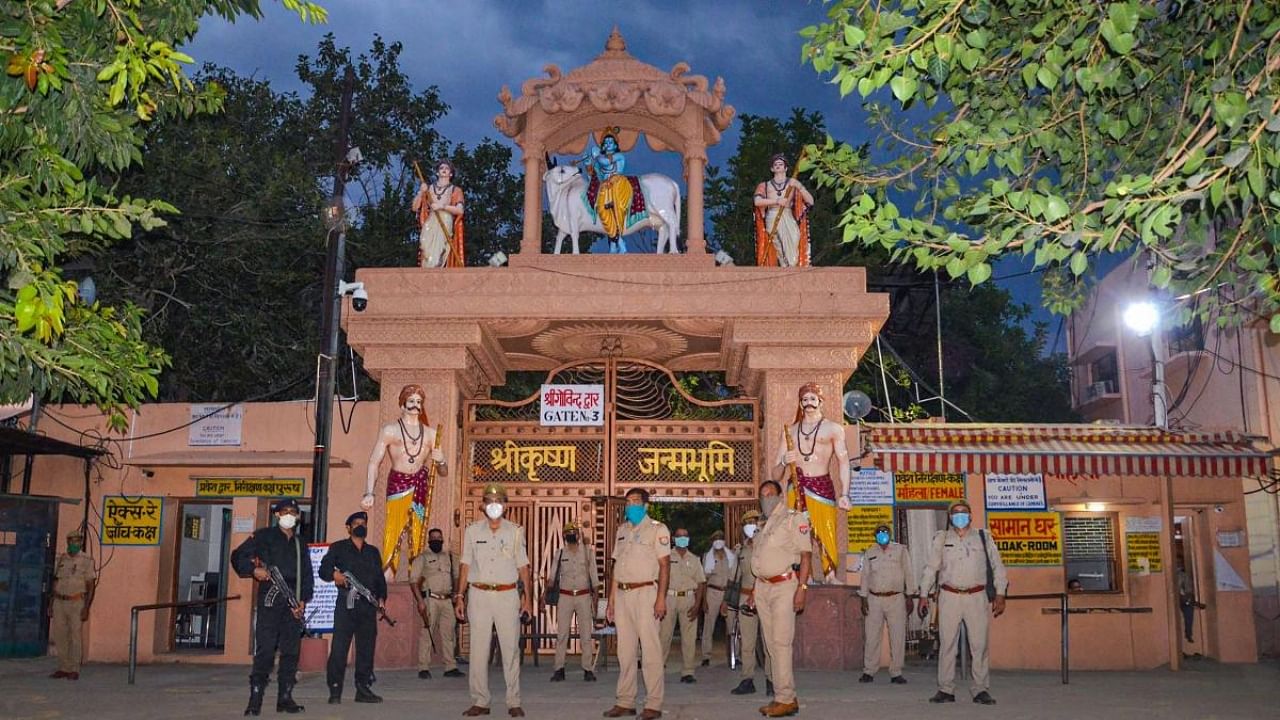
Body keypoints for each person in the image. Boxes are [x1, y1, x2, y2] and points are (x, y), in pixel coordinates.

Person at [918, 501, 1009, 705]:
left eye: (964, 512)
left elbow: (998, 566)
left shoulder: (983, 537)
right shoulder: (941, 539)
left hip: (976, 597)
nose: (960, 516)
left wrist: (1001, 593)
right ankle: (946, 689)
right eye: (956, 513)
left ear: (970, 515)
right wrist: (924, 594)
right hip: (949, 596)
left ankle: (980, 689)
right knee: (947, 644)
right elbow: (931, 568)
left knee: (979, 645)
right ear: (950, 517)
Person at [230, 498, 314, 716]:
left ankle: (285, 697)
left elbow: (307, 575)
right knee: (265, 651)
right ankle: (255, 699)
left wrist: (302, 601)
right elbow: (238, 556)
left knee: (291, 653)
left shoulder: (300, 543)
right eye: (285, 511)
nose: (289, 515)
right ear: (277, 515)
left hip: (291, 604)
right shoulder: (263, 536)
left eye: (293, 512)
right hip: (270, 601)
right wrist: (253, 570)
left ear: (297, 516)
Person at [455, 483, 533, 718]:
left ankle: (513, 701)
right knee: (478, 650)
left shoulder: (516, 531)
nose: (494, 505)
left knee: (510, 649)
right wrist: (460, 596)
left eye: (498, 501)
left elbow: (523, 567)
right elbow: (465, 565)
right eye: (489, 501)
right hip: (478, 595)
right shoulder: (472, 531)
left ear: (506, 506)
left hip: (507, 595)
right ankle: (480, 700)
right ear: (482, 505)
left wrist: (527, 599)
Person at [363, 384, 447, 578]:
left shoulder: (432, 434)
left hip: (420, 487)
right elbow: (374, 462)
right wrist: (369, 492)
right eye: (411, 401)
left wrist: (441, 459)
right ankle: (387, 580)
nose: (415, 405)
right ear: (402, 404)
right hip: (398, 487)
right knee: (393, 532)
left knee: (418, 533)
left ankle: (416, 578)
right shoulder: (390, 430)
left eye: (419, 402)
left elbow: (443, 471)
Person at [603, 487, 671, 720]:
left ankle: (653, 703)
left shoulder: (657, 529)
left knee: (650, 651)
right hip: (622, 596)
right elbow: (616, 567)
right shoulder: (622, 530)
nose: (631, 505)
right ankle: (625, 701)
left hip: (646, 594)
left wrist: (661, 598)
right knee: (625, 651)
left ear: (645, 505)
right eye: (628, 502)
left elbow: (664, 565)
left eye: (635, 501)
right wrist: (611, 601)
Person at [749, 480, 812, 717]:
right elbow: (759, 561)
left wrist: (802, 589)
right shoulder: (764, 525)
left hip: (785, 586)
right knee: (771, 645)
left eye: (770, 494)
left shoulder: (793, 519)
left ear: (779, 496)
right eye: (762, 495)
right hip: (763, 588)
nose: (766, 498)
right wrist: (755, 592)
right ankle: (784, 695)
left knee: (781, 642)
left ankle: (784, 698)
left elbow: (806, 556)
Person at [776, 382, 851, 582]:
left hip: (822, 485)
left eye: (813, 398)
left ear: (821, 401)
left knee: (826, 530)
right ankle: (804, 575)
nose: (809, 402)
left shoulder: (833, 429)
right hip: (797, 486)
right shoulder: (790, 432)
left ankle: (830, 574)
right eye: (805, 399)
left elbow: (843, 460)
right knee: (799, 533)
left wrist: (845, 493)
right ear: (800, 404)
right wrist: (784, 461)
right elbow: (776, 473)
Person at [320, 511, 388, 704]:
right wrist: (336, 575)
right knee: (339, 650)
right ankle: (335, 690)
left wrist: (382, 599)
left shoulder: (373, 552)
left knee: (366, 650)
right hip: (346, 607)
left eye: (363, 523)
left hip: (367, 607)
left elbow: (379, 580)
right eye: (356, 523)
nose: (361, 526)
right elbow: (323, 570)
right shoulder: (338, 548)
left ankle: (363, 689)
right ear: (348, 528)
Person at [857, 523, 918, 684]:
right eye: (879, 532)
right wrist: (863, 598)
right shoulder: (870, 552)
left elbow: (908, 573)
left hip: (896, 598)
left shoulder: (901, 550)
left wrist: (910, 596)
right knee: (871, 636)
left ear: (890, 533)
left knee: (897, 636)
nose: (882, 534)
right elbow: (865, 576)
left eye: (885, 531)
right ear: (875, 535)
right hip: (874, 599)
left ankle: (896, 672)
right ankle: (869, 671)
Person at [726, 510, 772, 696]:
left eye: (754, 521)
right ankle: (747, 679)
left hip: (766, 595)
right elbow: (735, 577)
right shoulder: (741, 549)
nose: (751, 525)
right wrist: (728, 601)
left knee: (768, 640)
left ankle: (771, 679)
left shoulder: (768, 544)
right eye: (747, 522)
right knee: (747, 641)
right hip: (745, 597)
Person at [547, 520, 600, 682]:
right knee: (562, 634)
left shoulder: (587, 553)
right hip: (565, 596)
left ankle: (587, 669)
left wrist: (596, 599)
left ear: (578, 536)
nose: (571, 535)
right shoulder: (560, 553)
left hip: (584, 596)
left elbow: (594, 577)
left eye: (574, 533)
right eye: (568, 533)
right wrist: (545, 595)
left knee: (585, 634)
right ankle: (559, 668)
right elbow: (552, 577)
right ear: (564, 535)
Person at [409, 527, 464, 679]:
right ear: (429, 540)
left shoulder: (450, 557)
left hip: (447, 600)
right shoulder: (422, 557)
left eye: (439, 538)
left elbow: (457, 576)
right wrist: (420, 601)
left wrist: (456, 595)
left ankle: (450, 667)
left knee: (449, 634)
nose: (436, 541)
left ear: (442, 540)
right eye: (433, 538)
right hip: (430, 599)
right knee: (427, 633)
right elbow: (413, 581)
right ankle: (423, 667)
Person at [659, 527, 706, 684]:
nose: (682, 538)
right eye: (679, 536)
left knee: (689, 637)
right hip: (669, 598)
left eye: (685, 536)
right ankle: (658, 668)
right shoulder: (665, 556)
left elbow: (700, 583)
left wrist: (698, 604)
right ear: (673, 538)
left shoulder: (694, 559)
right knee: (664, 635)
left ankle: (688, 671)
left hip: (688, 598)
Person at [584, 131, 643, 253]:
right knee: (601, 208)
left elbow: (606, 162)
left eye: (611, 142)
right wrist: (589, 162)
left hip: (618, 182)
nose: (608, 144)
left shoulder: (618, 156)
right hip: (605, 186)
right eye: (606, 142)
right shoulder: (600, 157)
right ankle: (617, 240)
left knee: (618, 207)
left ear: (615, 145)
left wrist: (597, 154)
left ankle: (617, 242)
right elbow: (593, 174)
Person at [48, 529, 95, 680]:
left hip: (76, 602)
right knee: (60, 635)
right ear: (67, 542)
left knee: (75, 636)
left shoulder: (87, 560)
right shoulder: (61, 559)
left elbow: (90, 585)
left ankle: (74, 669)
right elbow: (55, 582)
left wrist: (87, 607)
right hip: (59, 601)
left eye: (77, 541)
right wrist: (51, 603)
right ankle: (63, 667)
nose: (74, 544)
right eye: (71, 541)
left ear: (80, 543)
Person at [753, 154, 814, 267]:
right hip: (773, 215)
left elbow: (811, 201)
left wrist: (799, 186)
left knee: (794, 239)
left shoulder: (793, 184)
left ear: (786, 168)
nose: (778, 166)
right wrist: (776, 201)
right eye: (775, 164)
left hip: (788, 215)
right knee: (780, 245)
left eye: (781, 164)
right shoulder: (764, 185)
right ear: (771, 169)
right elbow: (757, 201)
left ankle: (790, 267)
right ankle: (788, 267)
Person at [412, 159, 465, 268]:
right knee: (426, 250)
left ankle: (434, 272)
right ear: (437, 173)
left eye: (447, 168)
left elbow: (460, 210)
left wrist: (442, 206)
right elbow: (415, 207)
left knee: (438, 251)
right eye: (441, 168)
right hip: (430, 222)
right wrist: (421, 192)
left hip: (445, 220)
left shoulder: (455, 190)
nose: (444, 170)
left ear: (451, 174)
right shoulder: (429, 188)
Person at [700, 530, 736, 667]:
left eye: (721, 538)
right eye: (716, 538)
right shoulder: (707, 557)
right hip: (712, 592)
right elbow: (703, 580)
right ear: (712, 541)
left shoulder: (731, 556)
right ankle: (706, 655)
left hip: (727, 593)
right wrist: (704, 600)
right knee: (709, 625)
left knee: (732, 625)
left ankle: (734, 655)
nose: (718, 540)